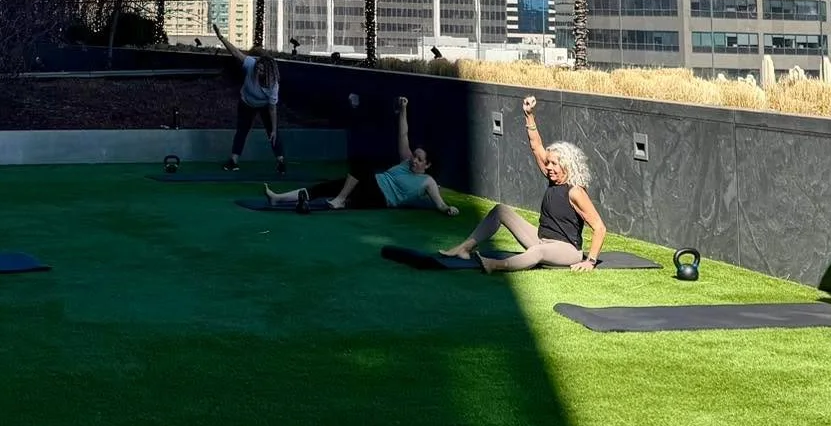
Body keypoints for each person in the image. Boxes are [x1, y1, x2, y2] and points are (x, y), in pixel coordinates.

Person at [440, 95, 607, 271]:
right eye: (548, 162)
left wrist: (590, 261)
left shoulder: (575, 192)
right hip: (541, 239)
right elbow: (536, 145)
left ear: (566, 166)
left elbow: (599, 227)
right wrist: (529, 115)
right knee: (500, 211)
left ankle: (495, 265)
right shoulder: (552, 177)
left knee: (537, 251)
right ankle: (464, 247)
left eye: (554, 164)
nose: (548, 167)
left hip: (567, 250)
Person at [260, 96, 462, 214]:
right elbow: (403, 133)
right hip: (368, 184)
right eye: (414, 156)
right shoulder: (405, 160)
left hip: (380, 198)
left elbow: (440, 203)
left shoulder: (427, 182)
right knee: (324, 188)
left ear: (427, 165)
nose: (414, 160)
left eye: (419, 160)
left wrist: (448, 209)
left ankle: (340, 200)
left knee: (362, 166)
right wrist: (403, 109)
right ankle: (278, 199)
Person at [211, 22, 285, 174]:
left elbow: (272, 109)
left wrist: (274, 128)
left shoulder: (273, 85)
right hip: (246, 103)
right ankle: (234, 160)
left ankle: (281, 161)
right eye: (257, 68)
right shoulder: (251, 64)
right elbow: (236, 53)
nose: (257, 71)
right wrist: (221, 37)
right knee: (242, 130)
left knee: (273, 132)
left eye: (261, 70)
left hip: (265, 106)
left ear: (267, 71)